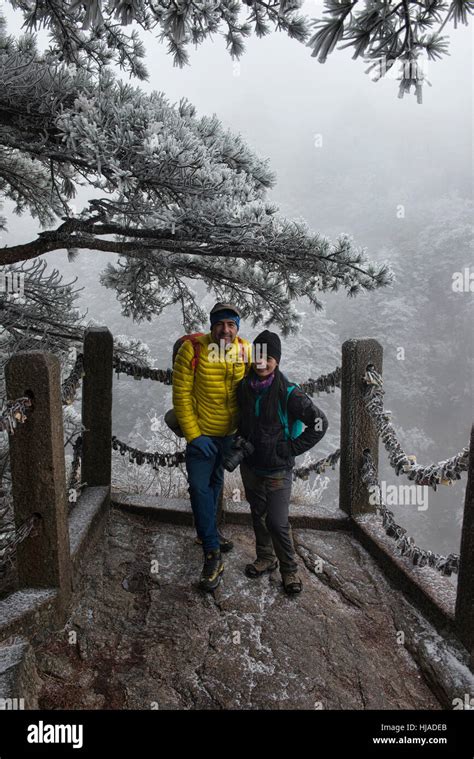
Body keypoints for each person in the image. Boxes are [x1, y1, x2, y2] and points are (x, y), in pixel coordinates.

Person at [235, 330, 328, 595]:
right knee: (258, 514)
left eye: (270, 358)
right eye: (258, 357)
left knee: (277, 522)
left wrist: (290, 449)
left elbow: (320, 423)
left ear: (277, 360)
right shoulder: (244, 387)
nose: (262, 363)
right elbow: (242, 420)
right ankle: (265, 558)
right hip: (251, 465)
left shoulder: (290, 393)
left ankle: (289, 571)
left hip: (277, 470)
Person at [172, 303, 251, 591]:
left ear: (237, 328)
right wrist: (194, 436)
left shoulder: (246, 350)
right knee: (199, 487)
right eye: (220, 324)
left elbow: (264, 381)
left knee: (216, 483)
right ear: (211, 325)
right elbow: (181, 396)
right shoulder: (192, 350)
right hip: (202, 435)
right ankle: (212, 552)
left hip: (229, 436)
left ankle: (210, 532)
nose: (225, 330)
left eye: (231, 324)